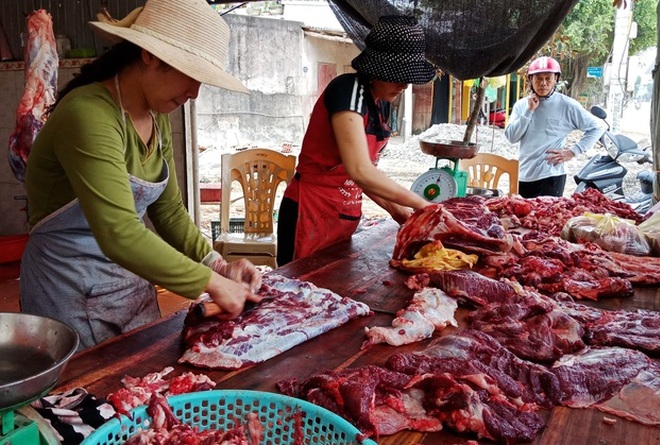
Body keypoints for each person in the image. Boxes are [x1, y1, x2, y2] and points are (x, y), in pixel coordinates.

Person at [20, 0, 262, 351]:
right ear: (149, 55)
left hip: (128, 282)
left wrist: (217, 264)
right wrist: (210, 283)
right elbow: (120, 234)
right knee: (86, 401)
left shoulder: (155, 115)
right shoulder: (87, 114)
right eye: (190, 74)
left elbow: (169, 211)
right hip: (68, 286)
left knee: (144, 390)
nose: (195, 92)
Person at [276, 15, 435, 266]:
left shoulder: (381, 105)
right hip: (310, 212)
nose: (404, 85)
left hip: (342, 215)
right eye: (398, 75)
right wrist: (425, 207)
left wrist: (400, 212)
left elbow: (366, 176)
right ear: (377, 68)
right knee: (298, 292)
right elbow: (359, 170)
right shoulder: (348, 90)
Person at [504, 56, 606, 198]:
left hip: (551, 176)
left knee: (547, 219)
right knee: (523, 218)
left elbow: (598, 126)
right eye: (538, 78)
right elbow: (511, 137)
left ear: (556, 79)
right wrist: (529, 111)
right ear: (530, 80)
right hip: (524, 175)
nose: (543, 83)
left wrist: (572, 152)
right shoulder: (521, 105)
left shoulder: (567, 105)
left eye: (548, 78)